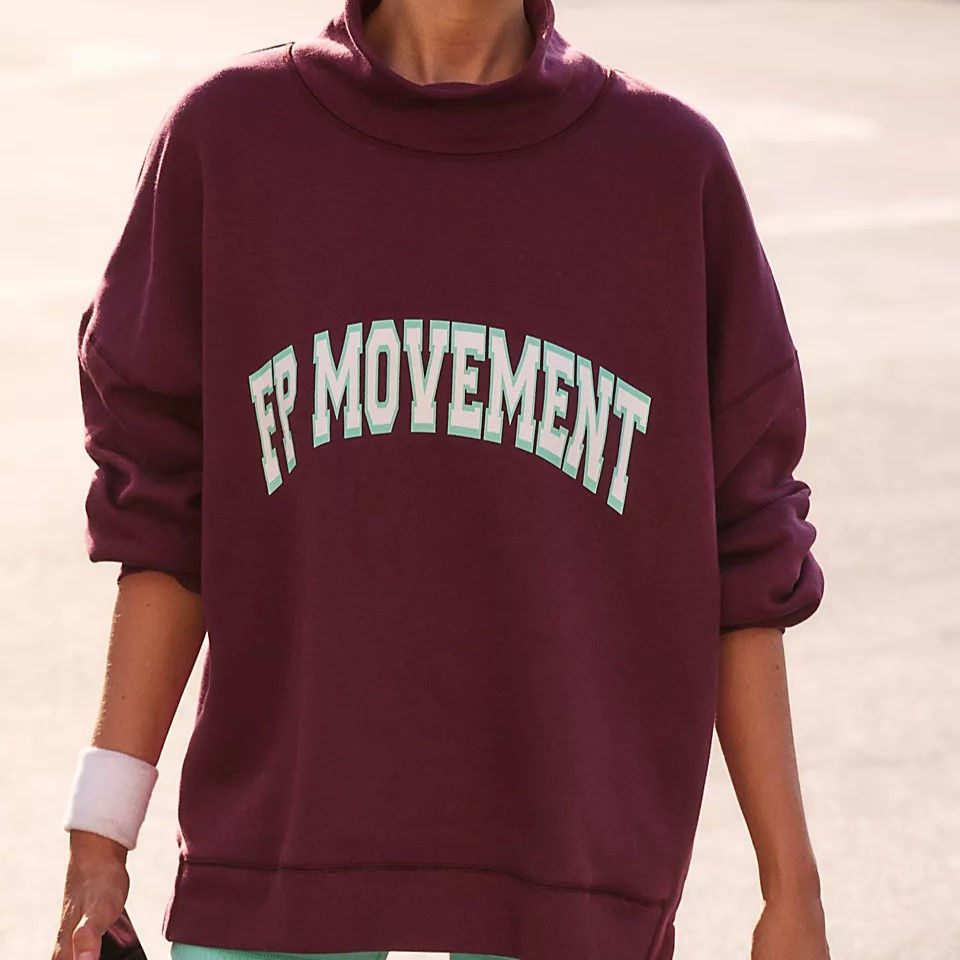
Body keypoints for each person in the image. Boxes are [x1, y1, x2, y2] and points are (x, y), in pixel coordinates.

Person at [54, 0, 830, 958]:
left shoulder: (668, 172)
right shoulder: (232, 141)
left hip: (572, 872)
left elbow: (743, 551)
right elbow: (163, 519)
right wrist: (101, 836)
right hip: (275, 858)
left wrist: (791, 889)